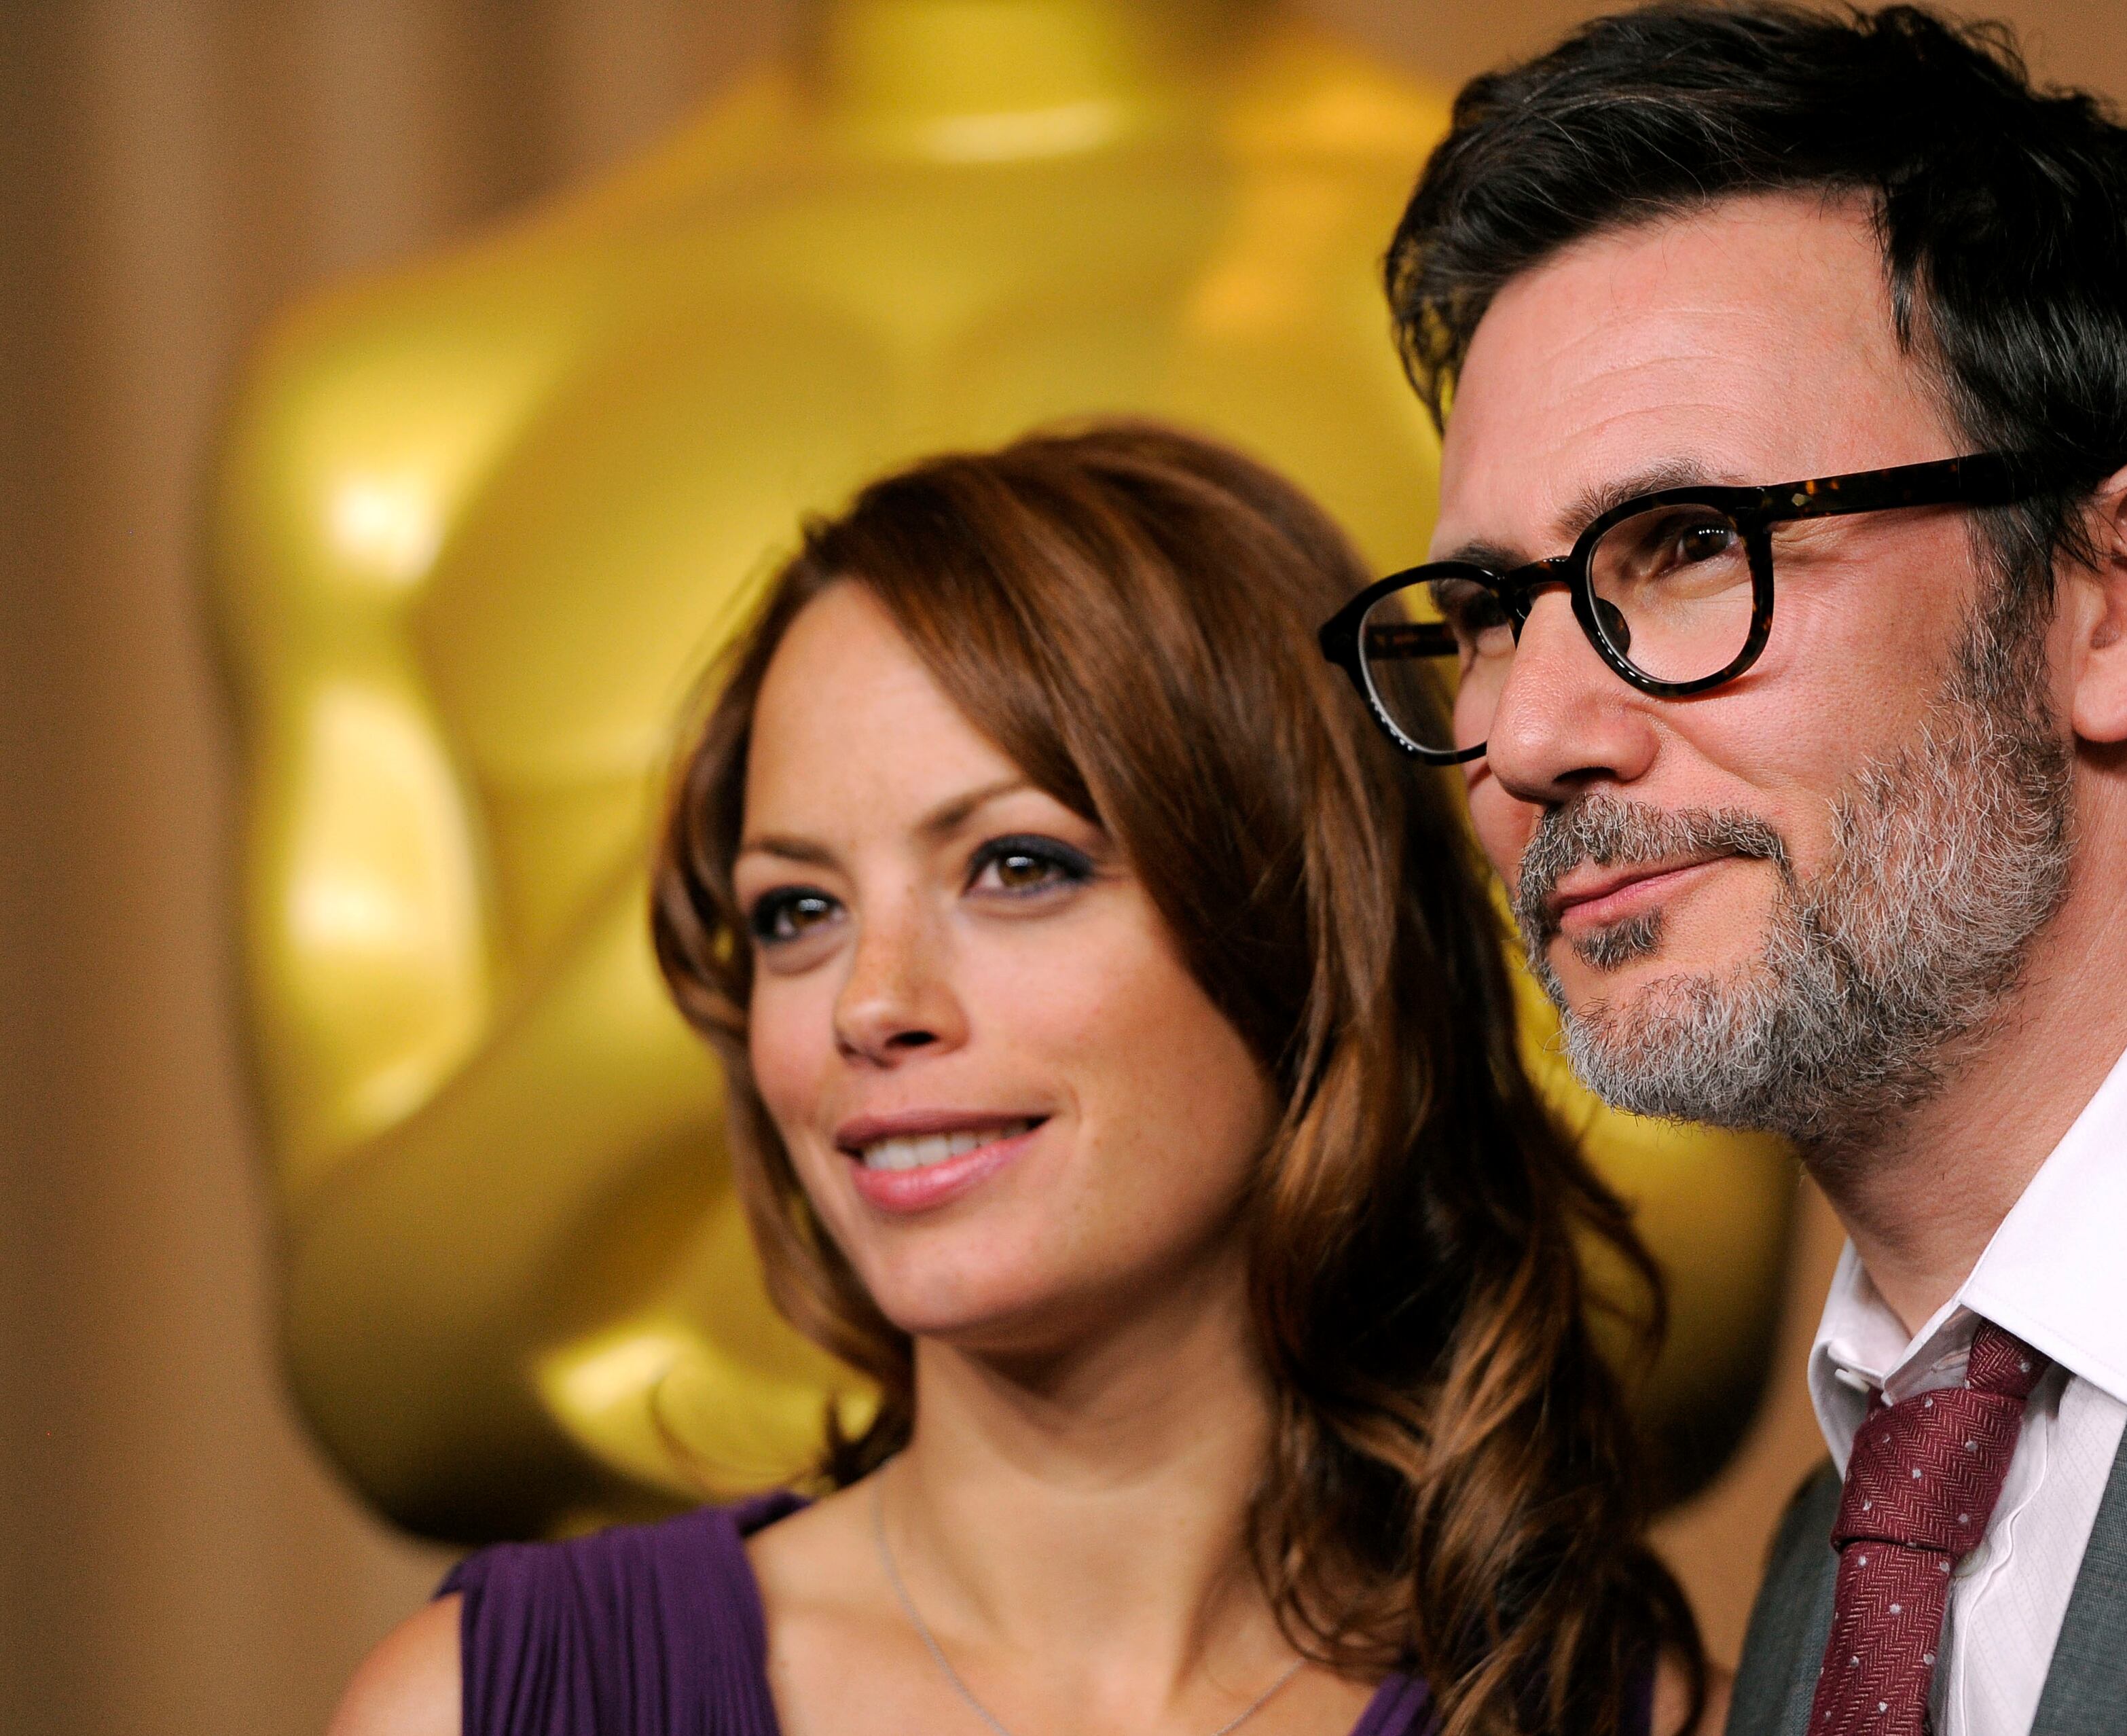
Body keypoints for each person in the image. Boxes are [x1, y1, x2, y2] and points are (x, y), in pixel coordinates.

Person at [1317, 5, 2127, 1734]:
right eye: (1482, 617)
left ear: (2123, 593)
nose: (1532, 732)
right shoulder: (1826, 1593)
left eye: (1692, 546)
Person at [329, 423, 1716, 1736]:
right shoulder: (488, 1704)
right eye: (796, 913)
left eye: (1017, 868)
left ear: (1303, 931)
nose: (871, 1006)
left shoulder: (1640, 1716)